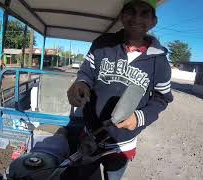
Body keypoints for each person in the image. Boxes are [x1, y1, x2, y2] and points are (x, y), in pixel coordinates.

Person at [66, 0, 173, 179]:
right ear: (122, 16)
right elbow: (86, 72)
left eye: (144, 13)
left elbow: (162, 98)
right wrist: (81, 83)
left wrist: (140, 117)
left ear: (154, 21)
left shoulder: (160, 61)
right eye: (131, 11)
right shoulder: (102, 44)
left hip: (122, 145)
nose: (137, 18)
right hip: (89, 136)